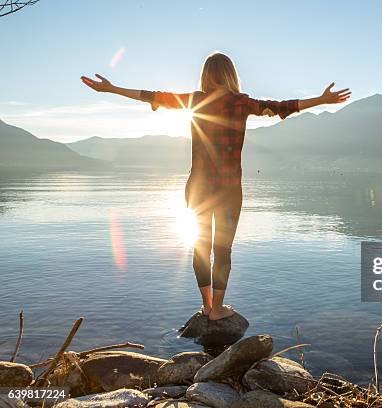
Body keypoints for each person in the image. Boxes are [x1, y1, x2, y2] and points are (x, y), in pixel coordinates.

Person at [81, 52, 351, 320]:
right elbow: (283, 106)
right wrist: (322, 99)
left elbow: (151, 95)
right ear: (232, 75)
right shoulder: (242, 103)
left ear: (206, 75)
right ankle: (218, 310)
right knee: (223, 249)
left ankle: (207, 306)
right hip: (229, 189)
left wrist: (112, 88)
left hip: (197, 187)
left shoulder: (195, 100)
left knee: (200, 245)